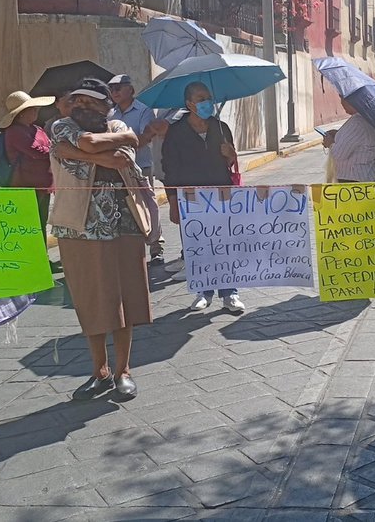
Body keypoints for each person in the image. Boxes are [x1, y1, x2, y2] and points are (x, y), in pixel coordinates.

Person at [50, 78, 152, 401]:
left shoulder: (117, 123)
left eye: (89, 102)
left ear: (104, 105)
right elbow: (98, 148)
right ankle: (100, 371)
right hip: (79, 227)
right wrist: (96, 152)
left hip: (124, 222)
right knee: (90, 298)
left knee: (125, 297)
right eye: (77, 100)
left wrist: (83, 151)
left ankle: (123, 370)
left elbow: (127, 146)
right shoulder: (59, 127)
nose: (80, 106)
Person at [161, 81, 246, 314]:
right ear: (189, 104)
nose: (207, 102)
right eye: (201, 99)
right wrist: (172, 202)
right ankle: (204, 292)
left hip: (221, 196)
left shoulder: (221, 128)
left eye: (209, 97)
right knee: (198, 246)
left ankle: (230, 293)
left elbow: (230, 164)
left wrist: (231, 155)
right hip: (191, 200)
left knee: (225, 245)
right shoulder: (176, 132)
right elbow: (169, 168)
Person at [108, 74, 170, 263]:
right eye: (112, 89)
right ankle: (130, 248)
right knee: (122, 206)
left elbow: (144, 139)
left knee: (148, 204)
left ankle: (155, 246)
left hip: (140, 166)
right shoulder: (110, 114)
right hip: (117, 167)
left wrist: (120, 144)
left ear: (131, 90)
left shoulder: (144, 110)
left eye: (119, 87)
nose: (115, 92)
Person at [0, 91, 55, 234]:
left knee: (41, 221)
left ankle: (41, 253)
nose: (36, 111)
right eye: (32, 109)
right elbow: (35, 151)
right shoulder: (14, 131)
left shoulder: (37, 129)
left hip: (43, 184)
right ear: (21, 113)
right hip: (26, 184)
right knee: (28, 225)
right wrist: (56, 151)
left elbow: (49, 146)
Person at [322, 97, 375, 182]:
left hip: (354, 179)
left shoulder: (357, 123)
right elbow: (356, 141)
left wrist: (330, 143)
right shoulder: (365, 119)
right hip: (365, 175)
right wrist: (338, 134)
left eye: (343, 99)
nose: (342, 103)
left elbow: (339, 154)